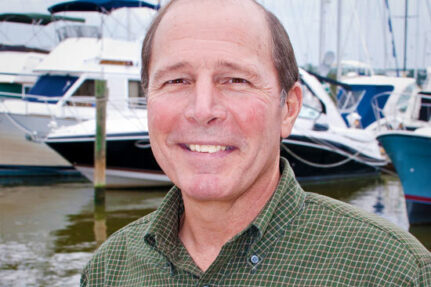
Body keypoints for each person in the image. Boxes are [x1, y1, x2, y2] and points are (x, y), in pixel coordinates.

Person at [81, 0, 431, 286]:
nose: (202, 110)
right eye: (176, 80)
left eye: (235, 80)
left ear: (288, 109)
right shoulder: (109, 271)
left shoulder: (392, 271)